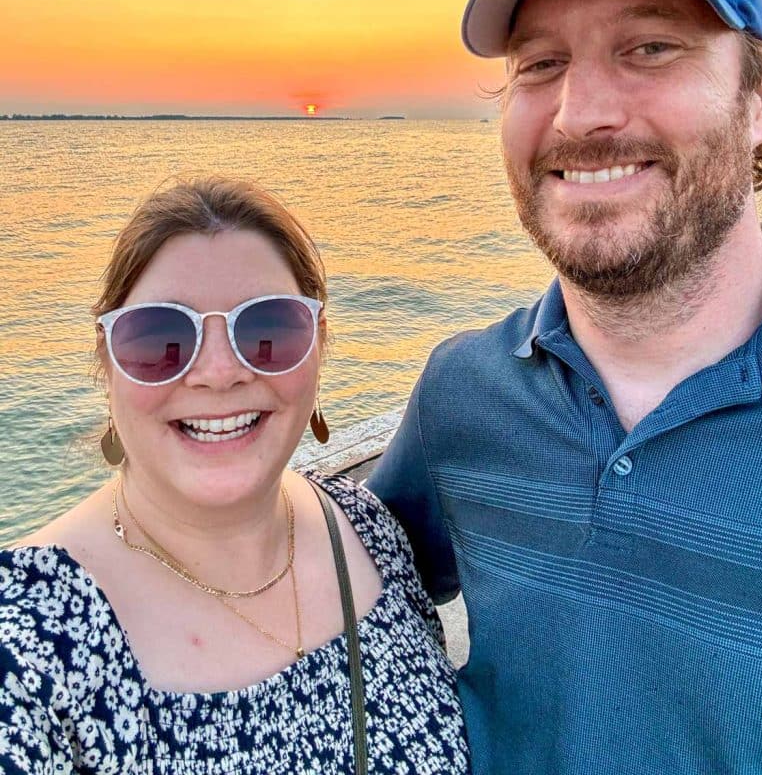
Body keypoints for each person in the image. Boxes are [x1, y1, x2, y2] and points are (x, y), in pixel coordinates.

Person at [368, 0, 762, 774]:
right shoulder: (463, 396)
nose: (580, 112)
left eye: (652, 48)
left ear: (758, 101)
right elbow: (341, 592)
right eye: (541, 64)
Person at [0, 176, 470, 774]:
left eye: (267, 329)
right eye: (162, 336)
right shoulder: (24, 636)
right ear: (108, 362)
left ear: (318, 346)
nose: (218, 373)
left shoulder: (369, 532)